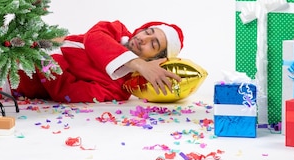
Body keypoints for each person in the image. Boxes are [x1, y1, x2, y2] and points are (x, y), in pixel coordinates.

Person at [10, 20, 184, 103]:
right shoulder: (118, 30)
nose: (143, 39)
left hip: (12, 79)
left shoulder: (118, 89)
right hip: (14, 41)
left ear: (155, 59)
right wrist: (138, 64)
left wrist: (49, 54)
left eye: (153, 44)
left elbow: (65, 91)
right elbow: (94, 38)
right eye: (148, 31)